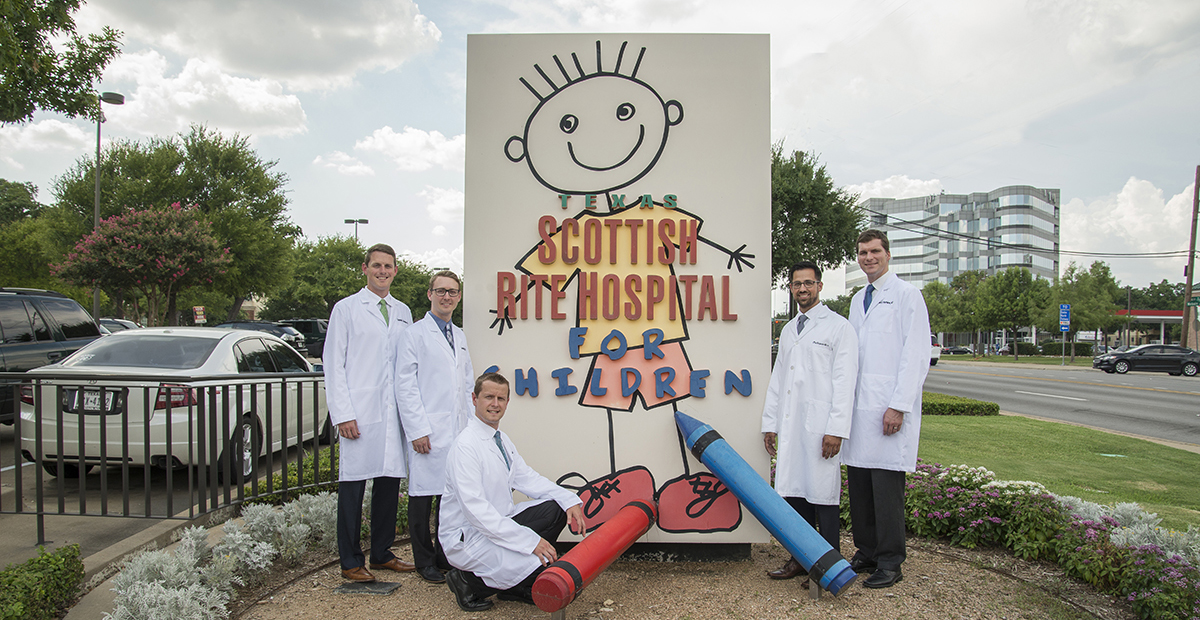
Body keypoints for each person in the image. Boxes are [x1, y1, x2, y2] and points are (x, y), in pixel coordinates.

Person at [439, 372, 587, 612]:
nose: (495, 404)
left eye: (501, 398)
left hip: (499, 523)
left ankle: (514, 586)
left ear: (508, 402)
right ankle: (468, 582)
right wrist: (530, 542)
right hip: (469, 536)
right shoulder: (466, 447)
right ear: (474, 399)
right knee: (537, 562)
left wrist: (569, 499)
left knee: (557, 507)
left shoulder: (501, 440)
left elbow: (528, 478)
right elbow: (477, 513)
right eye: (489, 397)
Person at [842, 229, 931, 589]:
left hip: (888, 408)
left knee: (885, 487)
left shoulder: (908, 296)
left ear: (888, 254)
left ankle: (891, 561)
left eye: (875, 251)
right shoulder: (857, 298)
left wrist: (898, 406)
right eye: (863, 252)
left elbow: (916, 355)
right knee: (860, 484)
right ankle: (867, 551)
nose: (868, 258)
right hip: (859, 408)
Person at [761, 261, 858, 587]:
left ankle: (828, 564)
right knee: (795, 494)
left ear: (819, 286)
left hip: (821, 427)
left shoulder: (838, 327)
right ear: (790, 288)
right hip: (792, 425)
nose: (802, 289)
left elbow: (845, 383)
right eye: (797, 284)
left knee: (823, 496)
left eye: (808, 283)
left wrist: (836, 429)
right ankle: (800, 559)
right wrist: (770, 423)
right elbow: (778, 380)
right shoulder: (789, 330)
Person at [324, 243, 416, 583]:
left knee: (389, 484)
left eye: (388, 266)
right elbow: (334, 365)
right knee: (353, 486)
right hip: (359, 413)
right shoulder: (346, 309)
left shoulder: (403, 311)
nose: (382, 271)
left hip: (393, 413)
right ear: (365, 269)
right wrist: (343, 413)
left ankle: (381, 553)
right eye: (376, 265)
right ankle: (350, 561)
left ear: (395, 271)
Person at [395, 270, 474, 584]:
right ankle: (423, 560)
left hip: (457, 429)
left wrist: (470, 427)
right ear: (429, 294)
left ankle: (445, 555)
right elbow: (405, 385)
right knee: (421, 496)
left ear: (458, 297)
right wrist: (416, 429)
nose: (447, 297)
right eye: (441, 291)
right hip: (427, 430)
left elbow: (467, 383)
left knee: (449, 497)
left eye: (453, 292)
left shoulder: (460, 335)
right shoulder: (414, 334)